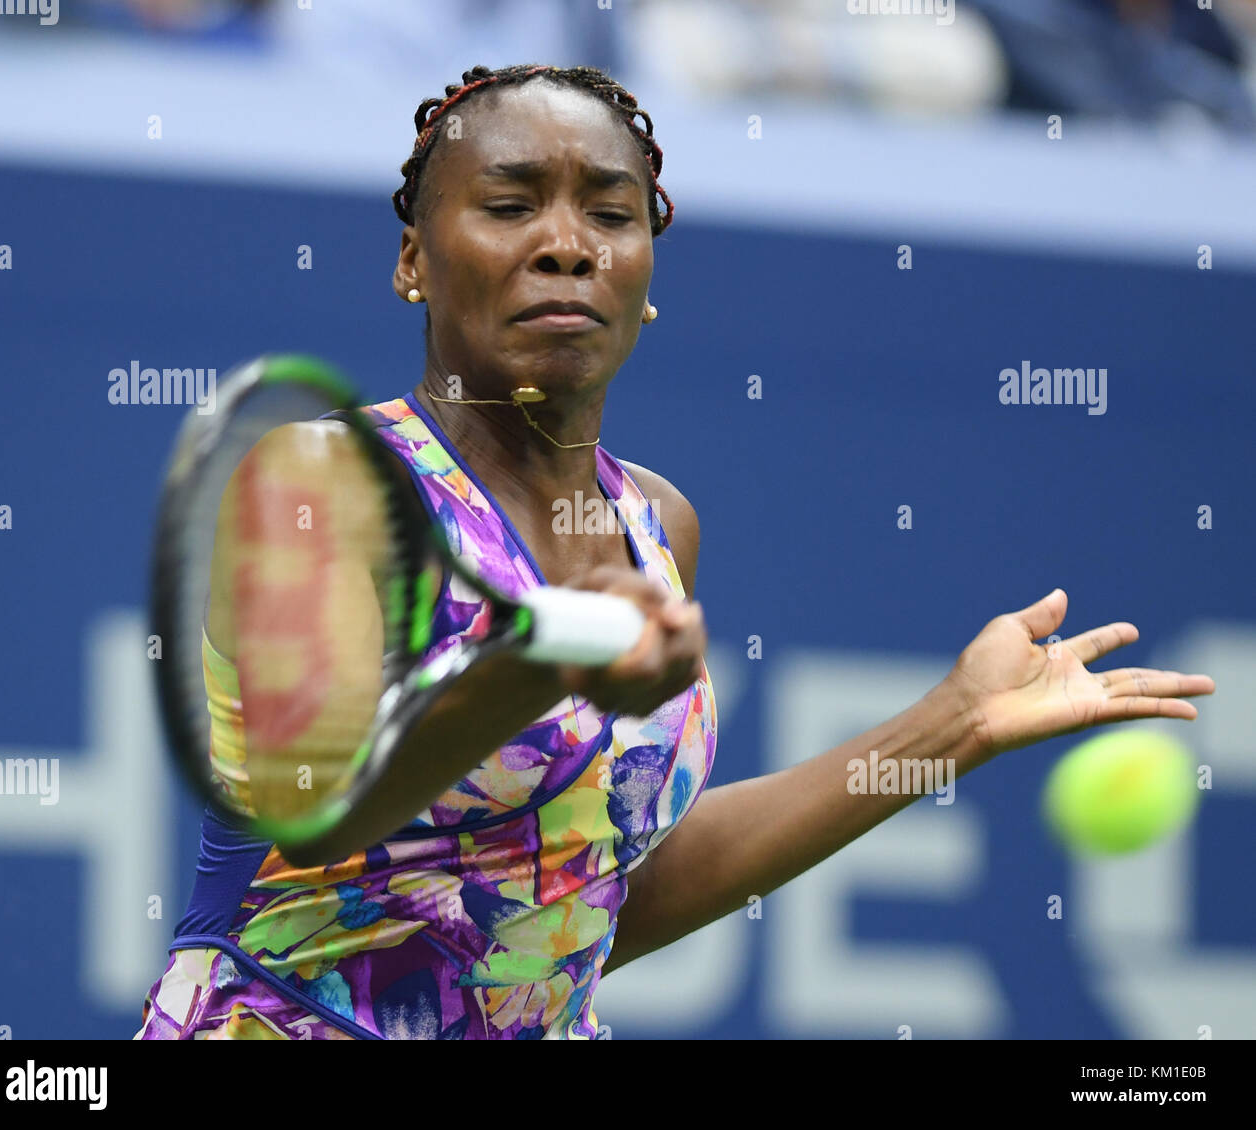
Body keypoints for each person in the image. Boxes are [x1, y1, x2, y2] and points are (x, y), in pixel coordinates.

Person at [136, 62, 1213, 1041]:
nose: (568, 243)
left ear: (645, 278)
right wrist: (547, 662)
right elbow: (321, 802)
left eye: (609, 213)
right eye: (510, 205)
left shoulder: (659, 525)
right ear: (414, 260)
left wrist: (950, 726)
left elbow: (594, 896)